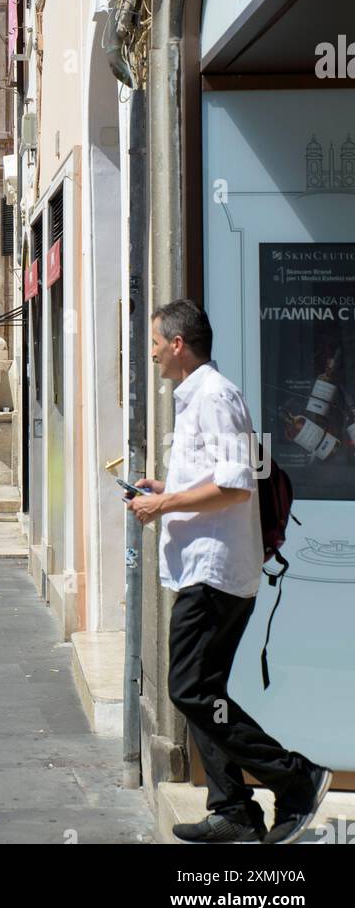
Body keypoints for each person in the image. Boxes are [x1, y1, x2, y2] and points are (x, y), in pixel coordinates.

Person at [129, 299, 332, 846]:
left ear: (177, 344)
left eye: (153, 340)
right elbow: (215, 477)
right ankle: (234, 811)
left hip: (215, 574)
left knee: (189, 689)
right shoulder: (199, 397)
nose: (148, 350)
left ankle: (295, 777)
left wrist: (164, 506)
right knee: (202, 689)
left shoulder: (215, 397)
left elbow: (236, 484)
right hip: (205, 569)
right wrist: (163, 491)